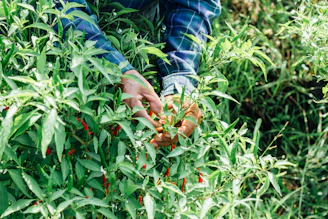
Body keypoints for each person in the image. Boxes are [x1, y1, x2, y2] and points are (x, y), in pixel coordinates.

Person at [55, 0, 221, 148]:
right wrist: (114, 65)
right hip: (55, 46)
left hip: (135, 45)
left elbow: (196, 5)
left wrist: (180, 79)